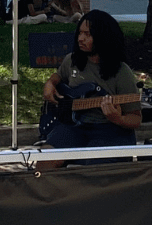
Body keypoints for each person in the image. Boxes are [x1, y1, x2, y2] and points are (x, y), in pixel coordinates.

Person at [40, 10, 141, 162]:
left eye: (88, 34)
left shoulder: (122, 72)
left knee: (93, 169)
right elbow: (59, 75)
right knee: (46, 160)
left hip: (110, 130)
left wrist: (118, 118)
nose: (80, 39)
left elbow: (136, 119)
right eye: (80, 33)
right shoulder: (72, 60)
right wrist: (50, 83)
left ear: (103, 37)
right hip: (74, 127)